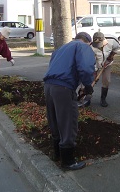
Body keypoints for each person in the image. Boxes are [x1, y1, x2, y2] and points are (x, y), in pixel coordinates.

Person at [43, 32, 95, 170]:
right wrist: (88, 85)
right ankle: (68, 161)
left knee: (54, 119)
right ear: (88, 42)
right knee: (68, 121)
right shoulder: (83, 47)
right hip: (63, 88)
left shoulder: (61, 48)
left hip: (48, 85)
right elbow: (85, 67)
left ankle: (57, 154)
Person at [91, 32, 119, 107]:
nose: (98, 46)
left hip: (107, 63)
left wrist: (111, 55)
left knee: (106, 80)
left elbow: (116, 48)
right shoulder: (91, 47)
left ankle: (103, 99)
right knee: (92, 80)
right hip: (96, 63)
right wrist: (95, 72)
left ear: (104, 41)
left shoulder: (112, 41)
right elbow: (92, 61)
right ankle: (87, 97)